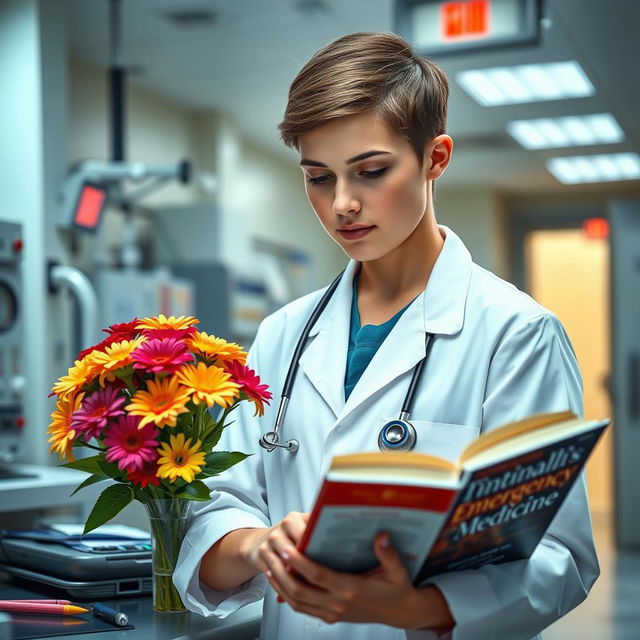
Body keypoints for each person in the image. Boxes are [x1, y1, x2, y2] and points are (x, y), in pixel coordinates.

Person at [173, 31, 599, 639]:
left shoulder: (516, 333)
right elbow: (220, 511)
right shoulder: (283, 335)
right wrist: (259, 545)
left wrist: (408, 607)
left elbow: (559, 559)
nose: (343, 203)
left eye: (371, 171)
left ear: (436, 158)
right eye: (319, 178)